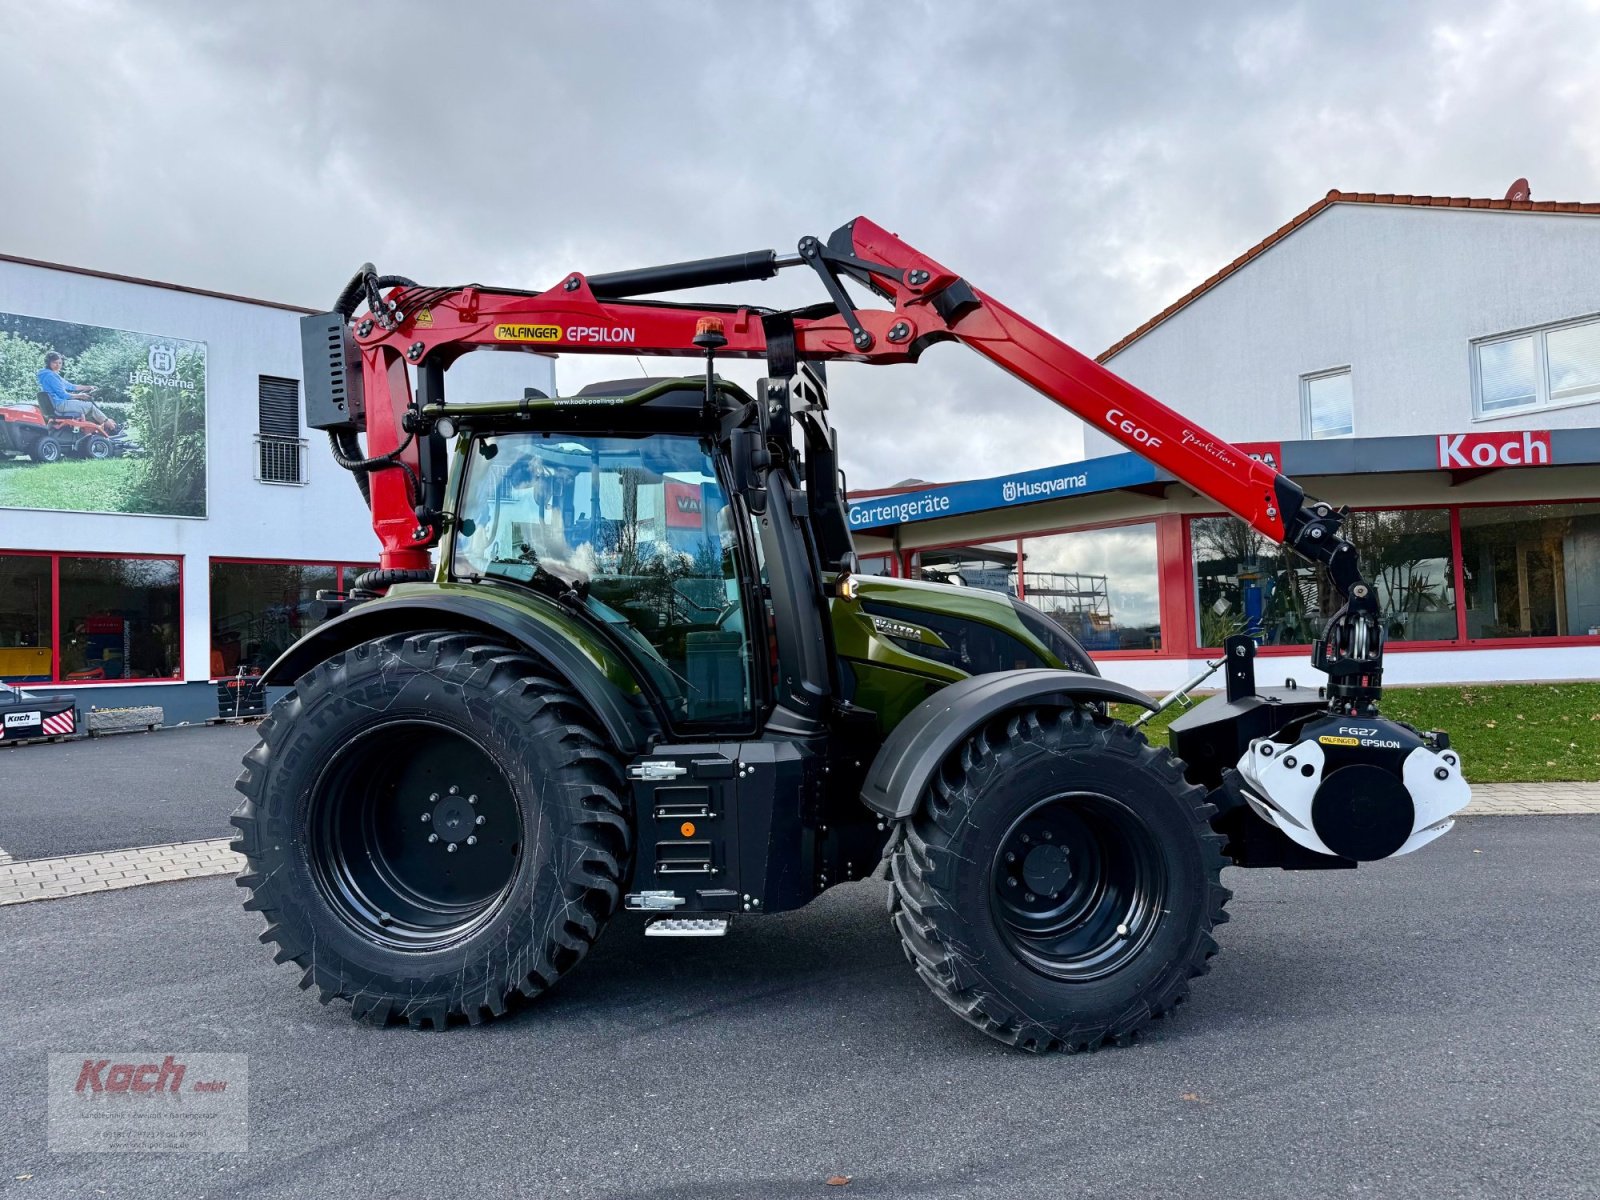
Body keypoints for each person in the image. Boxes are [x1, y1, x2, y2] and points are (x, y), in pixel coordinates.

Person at [37, 352, 117, 434]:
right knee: (90, 407)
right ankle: (112, 428)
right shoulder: (51, 376)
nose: (58, 365)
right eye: (55, 363)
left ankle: (95, 429)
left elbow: (70, 386)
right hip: (60, 404)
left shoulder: (49, 375)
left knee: (83, 406)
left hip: (56, 404)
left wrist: (88, 387)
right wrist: (80, 396)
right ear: (48, 363)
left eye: (60, 363)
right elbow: (63, 395)